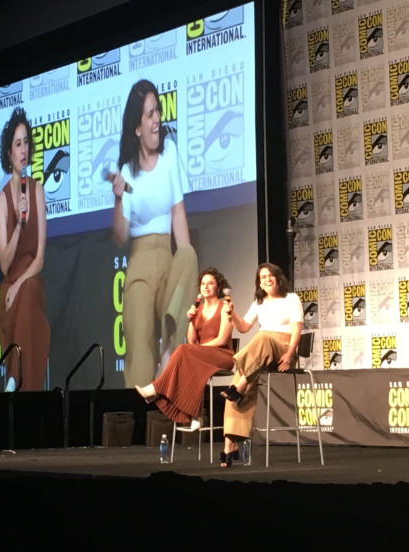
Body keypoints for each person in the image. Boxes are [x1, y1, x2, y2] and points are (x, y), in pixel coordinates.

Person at [109, 79, 198, 388]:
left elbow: (178, 214)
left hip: (167, 259)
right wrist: (119, 199)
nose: (157, 118)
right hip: (140, 265)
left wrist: (189, 281)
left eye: (157, 110)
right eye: (149, 114)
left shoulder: (170, 153)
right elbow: (120, 236)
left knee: (188, 254)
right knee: (138, 359)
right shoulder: (127, 170)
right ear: (137, 127)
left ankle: (170, 349)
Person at [219, 262, 303, 467]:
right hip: (260, 354)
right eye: (262, 277)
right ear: (259, 283)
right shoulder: (259, 302)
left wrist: (290, 354)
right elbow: (245, 326)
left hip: (282, 347)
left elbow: (297, 328)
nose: (267, 279)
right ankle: (229, 445)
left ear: (277, 277)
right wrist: (232, 315)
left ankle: (240, 384)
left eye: (270, 275)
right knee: (235, 390)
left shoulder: (291, 299)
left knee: (262, 338)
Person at [134, 267, 235, 430]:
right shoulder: (199, 309)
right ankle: (195, 416)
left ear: (218, 286)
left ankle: (155, 388)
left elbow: (222, 339)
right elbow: (192, 340)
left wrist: (198, 350)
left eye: (210, 283)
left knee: (183, 350)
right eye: (203, 284)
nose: (206, 287)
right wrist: (191, 320)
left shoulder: (225, 307)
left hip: (223, 355)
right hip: (202, 356)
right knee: (188, 356)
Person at [0, 106, 50, 391]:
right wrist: (18, 226)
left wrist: (20, 285)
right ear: (9, 153)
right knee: (20, 294)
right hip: (8, 296)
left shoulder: (38, 190)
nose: (24, 149)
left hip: (30, 284)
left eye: (26, 141)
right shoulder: (3, 200)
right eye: (18, 143)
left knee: (28, 290)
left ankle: (16, 379)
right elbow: (4, 266)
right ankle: (17, 378)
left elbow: (40, 258)